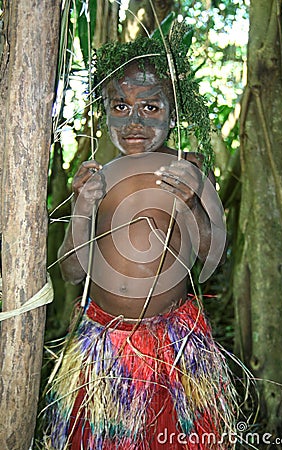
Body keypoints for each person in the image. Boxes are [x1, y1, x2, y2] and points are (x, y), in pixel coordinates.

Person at [45, 27, 237, 450]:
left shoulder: (187, 172)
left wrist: (190, 203)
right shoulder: (95, 178)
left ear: (174, 113)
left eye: (151, 107)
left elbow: (212, 257)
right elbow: (73, 272)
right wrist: (81, 209)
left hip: (175, 345)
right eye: (121, 106)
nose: (134, 121)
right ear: (105, 113)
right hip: (102, 348)